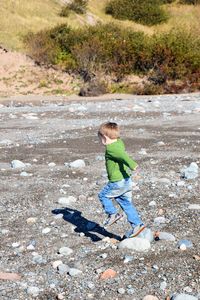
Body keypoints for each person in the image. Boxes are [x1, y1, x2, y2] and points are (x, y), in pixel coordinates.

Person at [98, 122, 145, 238]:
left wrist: (133, 165)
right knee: (126, 203)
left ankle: (112, 214)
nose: (100, 141)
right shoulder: (119, 142)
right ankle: (137, 225)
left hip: (117, 181)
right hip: (126, 180)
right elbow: (121, 152)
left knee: (103, 196)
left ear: (104, 137)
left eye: (100, 138)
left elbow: (122, 156)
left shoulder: (111, 149)